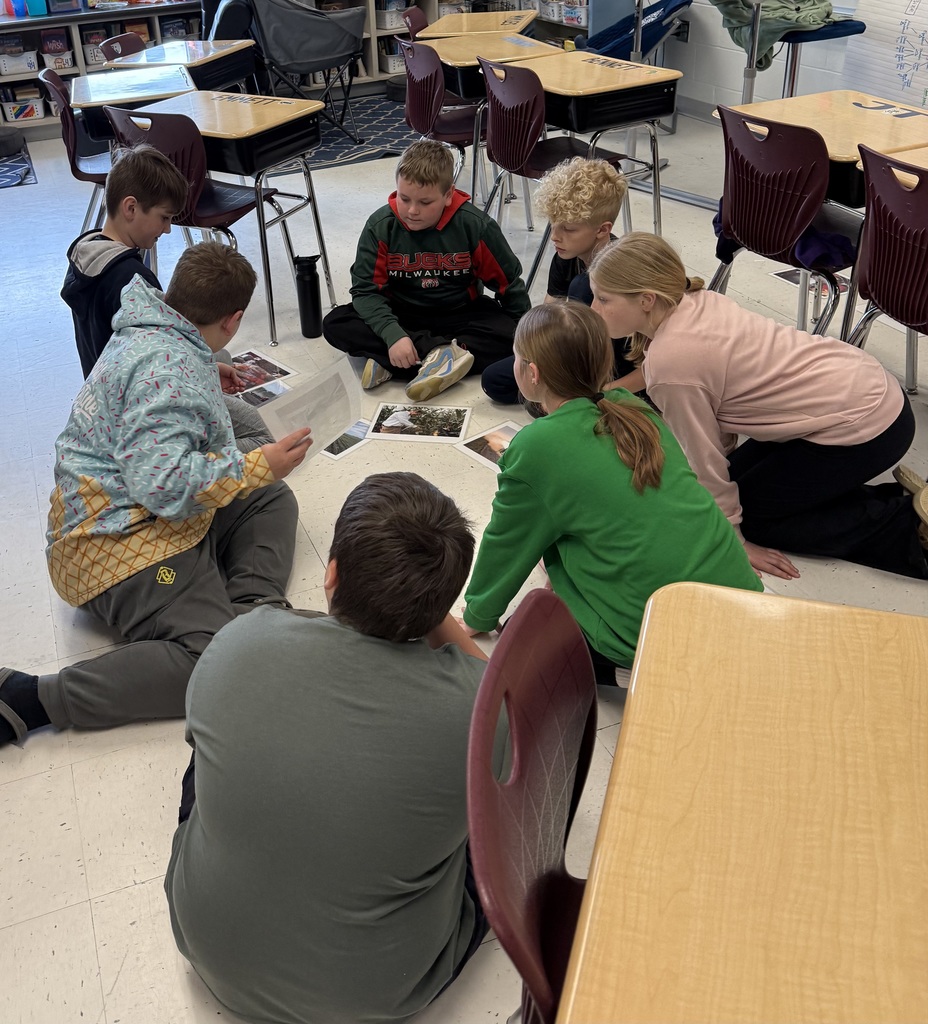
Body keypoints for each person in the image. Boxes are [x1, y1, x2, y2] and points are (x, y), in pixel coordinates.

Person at [164, 472, 502, 1024]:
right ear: (443, 600)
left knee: (213, 746)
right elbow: (506, 696)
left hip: (208, 948)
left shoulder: (238, 643)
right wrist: (431, 609)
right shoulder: (481, 710)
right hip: (380, 994)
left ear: (331, 573)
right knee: (492, 819)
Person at [0, 243, 313, 748]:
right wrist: (259, 462)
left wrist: (208, 374)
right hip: (112, 545)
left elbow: (156, 415)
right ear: (233, 322)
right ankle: (31, 698)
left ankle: (254, 612)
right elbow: (165, 486)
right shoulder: (170, 374)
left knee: (269, 497)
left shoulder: (154, 329)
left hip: (138, 512)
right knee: (212, 659)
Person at [588, 231, 928, 580]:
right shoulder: (696, 300)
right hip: (866, 387)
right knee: (733, 491)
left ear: (646, 299)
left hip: (868, 425)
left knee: (755, 520)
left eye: (603, 298)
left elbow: (703, 460)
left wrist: (732, 538)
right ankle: (892, 499)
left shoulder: (671, 365)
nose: (594, 309)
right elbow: (717, 435)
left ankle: (910, 530)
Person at [462, 302, 762, 685]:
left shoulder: (536, 446)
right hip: (741, 600)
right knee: (565, 528)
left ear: (531, 374)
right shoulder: (633, 407)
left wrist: (477, 616)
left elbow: (506, 542)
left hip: (663, 637)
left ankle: (633, 673)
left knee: (523, 638)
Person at [61, 142, 273, 451]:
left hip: (112, 394)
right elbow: (161, 363)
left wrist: (210, 368)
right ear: (131, 208)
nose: (169, 229)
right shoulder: (133, 282)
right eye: (164, 217)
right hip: (143, 413)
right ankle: (195, 457)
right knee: (266, 434)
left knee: (221, 358)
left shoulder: (86, 253)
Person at [323, 140, 531, 402]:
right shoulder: (380, 226)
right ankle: (436, 355)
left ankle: (393, 361)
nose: (412, 210)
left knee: (515, 336)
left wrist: (527, 341)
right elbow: (365, 291)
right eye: (404, 198)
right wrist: (393, 335)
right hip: (402, 315)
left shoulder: (475, 226)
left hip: (460, 312)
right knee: (335, 324)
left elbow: (508, 285)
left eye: (425, 202)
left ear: (448, 195)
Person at [481, 156, 645, 404]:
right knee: (495, 380)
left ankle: (578, 395)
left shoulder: (624, 269)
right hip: (577, 354)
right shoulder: (567, 255)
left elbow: (652, 364)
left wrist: (608, 391)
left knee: (583, 284)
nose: (555, 237)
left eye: (568, 229)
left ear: (602, 229)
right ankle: (569, 392)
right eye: (553, 225)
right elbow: (549, 318)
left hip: (620, 365)